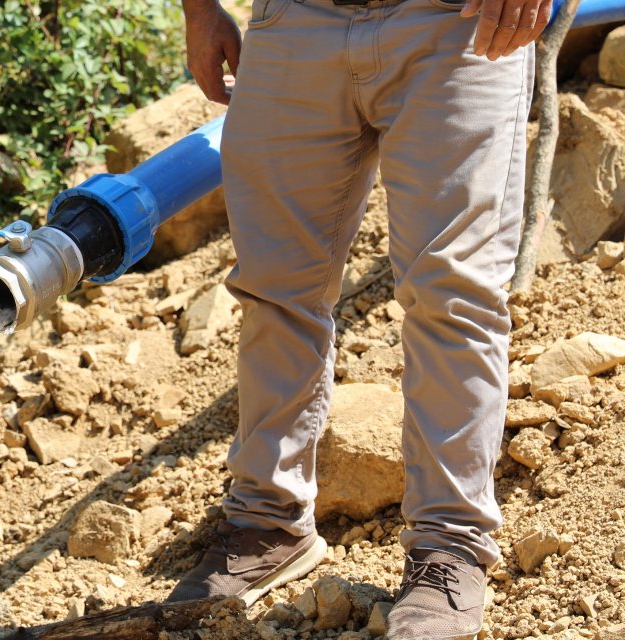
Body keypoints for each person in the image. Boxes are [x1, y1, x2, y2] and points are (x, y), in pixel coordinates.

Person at [167, 0, 550, 636]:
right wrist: (199, 9)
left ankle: (449, 547)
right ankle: (267, 522)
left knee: (451, 290)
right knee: (274, 287)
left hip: (458, 22)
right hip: (294, 21)